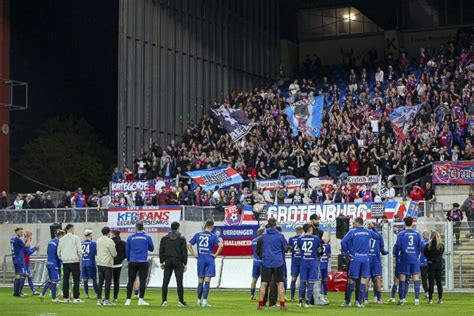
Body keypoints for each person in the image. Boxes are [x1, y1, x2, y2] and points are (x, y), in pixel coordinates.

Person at [341, 217, 381, 308]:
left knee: (351, 280)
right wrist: (374, 228)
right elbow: (378, 237)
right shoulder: (368, 232)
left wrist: (347, 253)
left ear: (358, 223)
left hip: (356, 258)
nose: (353, 224)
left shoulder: (352, 231)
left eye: (354, 222)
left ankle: (347, 302)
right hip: (366, 259)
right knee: (363, 280)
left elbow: (343, 242)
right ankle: (359, 302)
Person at [188, 219, 223, 307]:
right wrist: (215, 254)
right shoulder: (213, 236)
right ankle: (205, 302)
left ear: (205, 225)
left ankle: (198, 301)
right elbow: (221, 245)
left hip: (201, 259)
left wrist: (194, 254)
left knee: (200, 281)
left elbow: (188, 244)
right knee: (207, 281)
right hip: (209, 259)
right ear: (212, 226)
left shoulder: (198, 234)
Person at [256, 217, 288, 311]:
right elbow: (285, 248)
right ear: (275, 225)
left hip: (266, 262)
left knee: (264, 283)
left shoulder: (263, 236)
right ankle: (282, 305)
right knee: (280, 283)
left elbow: (258, 250)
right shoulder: (280, 236)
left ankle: (260, 304)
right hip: (278, 262)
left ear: (268, 224)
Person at [392, 216, 424, 305]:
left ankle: (402, 299)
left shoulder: (401, 234)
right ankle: (417, 299)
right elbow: (420, 247)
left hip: (404, 257)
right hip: (414, 257)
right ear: (412, 223)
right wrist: (416, 253)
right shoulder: (417, 233)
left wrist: (396, 253)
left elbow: (398, 246)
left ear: (404, 223)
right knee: (415, 277)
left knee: (402, 277)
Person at [125, 221, 154, 306]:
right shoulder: (147, 237)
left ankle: (128, 300)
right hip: (143, 261)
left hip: (133, 261)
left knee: (130, 280)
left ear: (136, 228)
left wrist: (128, 259)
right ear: (143, 227)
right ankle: (140, 300)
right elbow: (151, 248)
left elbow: (127, 250)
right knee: (142, 281)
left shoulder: (130, 237)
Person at [159, 221, 188, 307]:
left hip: (168, 261)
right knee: (179, 282)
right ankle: (180, 301)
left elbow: (161, 251)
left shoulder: (164, 238)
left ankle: (164, 301)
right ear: (178, 228)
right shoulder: (182, 239)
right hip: (178, 261)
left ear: (171, 228)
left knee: (165, 282)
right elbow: (184, 252)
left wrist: (161, 261)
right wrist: (185, 263)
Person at [297, 223, 322, 308]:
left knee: (303, 282)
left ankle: (300, 301)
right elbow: (319, 250)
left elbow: (300, 251)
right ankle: (307, 302)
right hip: (312, 262)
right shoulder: (316, 238)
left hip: (304, 262)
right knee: (311, 283)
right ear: (310, 229)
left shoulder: (300, 239)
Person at [57, 224, 84, 303]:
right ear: (71, 229)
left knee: (65, 280)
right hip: (75, 261)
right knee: (76, 280)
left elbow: (58, 252)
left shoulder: (61, 239)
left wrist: (63, 258)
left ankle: (66, 298)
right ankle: (76, 298)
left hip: (65, 262)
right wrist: (79, 258)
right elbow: (79, 250)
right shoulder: (76, 238)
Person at [40, 229, 65, 302]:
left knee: (51, 280)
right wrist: (62, 261)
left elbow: (48, 252)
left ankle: (42, 294)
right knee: (54, 281)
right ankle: (54, 298)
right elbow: (58, 254)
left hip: (49, 263)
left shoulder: (50, 241)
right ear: (61, 235)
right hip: (55, 265)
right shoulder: (59, 242)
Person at [96, 226, 117, 306]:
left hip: (99, 263)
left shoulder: (98, 240)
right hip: (107, 264)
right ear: (109, 232)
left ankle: (99, 299)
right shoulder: (110, 241)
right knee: (107, 282)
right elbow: (114, 253)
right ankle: (107, 300)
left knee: (100, 282)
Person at [366, 227, 388, 304]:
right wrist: (386, 252)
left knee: (366, 279)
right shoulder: (379, 236)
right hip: (376, 260)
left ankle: (366, 299)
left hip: (367, 259)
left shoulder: (366, 234)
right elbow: (382, 250)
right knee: (377, 279)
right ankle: (379, 299)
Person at [424, 231, 445, 304]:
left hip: (431, 264)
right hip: (439, 265)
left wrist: (430, 258)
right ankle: (440, 299)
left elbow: (425, 254)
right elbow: (441, 254)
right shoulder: (441, 245)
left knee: (431, 282)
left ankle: (430, 300)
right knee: (439, 282)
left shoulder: (428, 245)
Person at [11, 227, 28, 297]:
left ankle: (16, 292)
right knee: (22, 275)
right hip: (20, 260)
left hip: (15, 259)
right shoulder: (18, 240)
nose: (22, 233)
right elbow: (26, 246)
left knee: (18, 275)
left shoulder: (12, 239)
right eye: (20, 232)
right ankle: (19, 292)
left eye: (22, 232)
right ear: (16, 232)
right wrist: (27, 239)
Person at [81, 229, 98, 299]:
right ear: (90, 235)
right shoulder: (93, 243)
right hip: (90, 262)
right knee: (94, 279)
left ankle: (86, 294)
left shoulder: (82, 243)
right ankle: (97, 293)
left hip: (83, 263)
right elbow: (95, 252)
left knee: (85, 279)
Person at [288, 226, 303, 301]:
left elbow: (290, 250)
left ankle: (292, 297)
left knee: (293, 279)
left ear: (296, 231)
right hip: (303, 261)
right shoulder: (304, 238)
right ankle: (301, 297)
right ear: (302, 231)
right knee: (303, 280)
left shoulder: (291, 239)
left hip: (295, 261)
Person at [23, 231, 40, 295]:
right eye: (30, 237)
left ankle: (34, 291)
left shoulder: (26, 243)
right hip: (24, 263)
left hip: (26, 263)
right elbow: (28, 252)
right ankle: (20, 291)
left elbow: (28, 251)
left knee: (29, 277)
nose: (31, 239)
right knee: (24, 277)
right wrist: (35, 248)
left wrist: (35, 248)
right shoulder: (25, 243)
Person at [250, 227, 265, 301]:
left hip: (255, 261)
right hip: (262, 262)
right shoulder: (263, 241)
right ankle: (262, 296)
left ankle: (252, 295)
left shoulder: (253, 241)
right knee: (263, 281)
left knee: (254, 279)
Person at [111, 230, 126, 303]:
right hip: (118, 264)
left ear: (113, 234)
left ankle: (106, 296)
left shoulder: (110, 242)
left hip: (110, 264)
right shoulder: (123, 243)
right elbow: (125, 254)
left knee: (107, 281)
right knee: (116, 282)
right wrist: (120, 259)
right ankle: (115, 297)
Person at [320, 236, 331, 302]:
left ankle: (321, 295)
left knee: (321, 281)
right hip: (325, 265)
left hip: (320, 265)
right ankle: (324, 295)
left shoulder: (319, 244)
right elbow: (329, 255)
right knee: (324, 281)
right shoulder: (328, 246)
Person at [420, 230, 430, 299]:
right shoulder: (431, 242)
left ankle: (426, 292)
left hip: (423, 262)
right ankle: (430, 292)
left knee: (424, 279)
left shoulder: (421, 242)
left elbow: (419, 251)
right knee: (431, 278)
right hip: (430, 262)